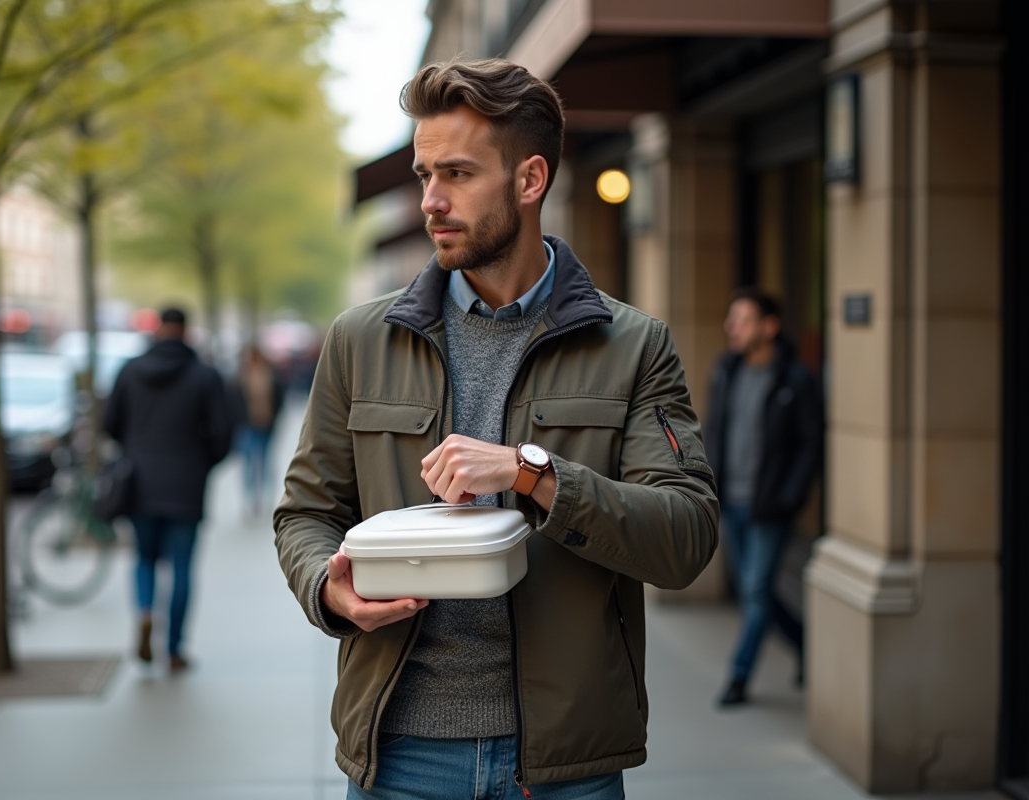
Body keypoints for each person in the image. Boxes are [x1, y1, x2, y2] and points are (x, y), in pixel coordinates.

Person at [274, 58, 719, 799]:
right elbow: (306, 513)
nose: (430, 202)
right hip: (400, 753)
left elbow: (684, 538)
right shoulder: (359, 340)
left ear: (530, 180)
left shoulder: (635, 345)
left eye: (456, 174)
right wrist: (328, 588)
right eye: (423, 176)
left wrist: (531, 472)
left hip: (563, 765)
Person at [705, 288, 822, 707]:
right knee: (756, 589)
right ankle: (806, 641)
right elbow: (714, 430)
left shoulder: (795, 378)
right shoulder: (727, 370)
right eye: (731, 318)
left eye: (743, 319)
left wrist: (790, 495)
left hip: (769, 505)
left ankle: (738, 677)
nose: (731, 327)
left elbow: (811, 443)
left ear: (769, 327)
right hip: (730, 500)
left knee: (755, 589)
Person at [104, 307, 232, 672]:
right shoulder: (205, 376)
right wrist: (201, 463)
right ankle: (174, 649)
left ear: (159, 329)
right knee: (181, 567)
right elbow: (223, 433)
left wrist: (134, 447)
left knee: (143, 558)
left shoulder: (129, 371)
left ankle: (145, 613)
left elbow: (110, 424)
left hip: (139, 481)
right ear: (186, 331)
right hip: (186, 484)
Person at [230, 344, 286, 517]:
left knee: (265, 461)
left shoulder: (270, 375)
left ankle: (265, 497)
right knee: (249, 462)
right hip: (247, 425)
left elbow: (278, 397)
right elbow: (233, 402)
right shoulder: (240, 377)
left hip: (266, 424)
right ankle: (251, 499)